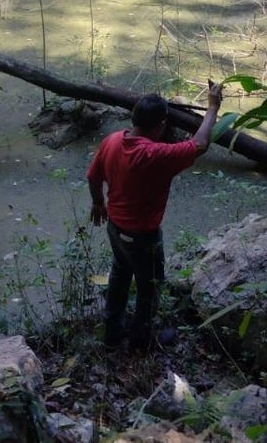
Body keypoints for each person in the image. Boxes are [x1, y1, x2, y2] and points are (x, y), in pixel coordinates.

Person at [87, 81, 224, 351]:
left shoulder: (112, 140)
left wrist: (98, 203)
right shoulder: (154, 155)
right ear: (161, 125)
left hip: (115, 227)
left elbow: (93, 176)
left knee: (120, 274)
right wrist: (212, 107)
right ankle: (141, 341)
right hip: (142, 236)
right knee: (150, 287)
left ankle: (112, 331)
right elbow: (200, 144)